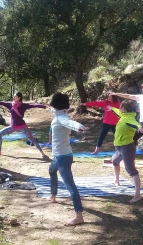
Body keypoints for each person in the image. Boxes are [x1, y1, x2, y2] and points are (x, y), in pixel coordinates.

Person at [48, 92, 89, 226]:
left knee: (70, 185)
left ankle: (79, 215)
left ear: (55, 105)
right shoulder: (59, 115)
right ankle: (53, 195)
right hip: (59, 156)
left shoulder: (62, 118)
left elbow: (70, 123)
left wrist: (79, 127)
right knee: (51, 171)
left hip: (63, 157)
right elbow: (65, 118)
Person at [0, 92, 49, 159]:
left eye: (15, 96)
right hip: (13, 127)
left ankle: (42, 153)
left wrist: (44, 106)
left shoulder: (24, 105)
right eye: (13, 96)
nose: (13, 97)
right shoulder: (10, 105)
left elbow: (34, 105)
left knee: (32, 139)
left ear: (19, 98)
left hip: (23, 126)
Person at [109, 99, 143, 204]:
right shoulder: (123, 114)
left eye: (121, 107)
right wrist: (111, 108)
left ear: (124, 108)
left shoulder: (129, 118)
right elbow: (117, 111)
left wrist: (140, 127)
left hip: (127, 147)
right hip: (118, 147)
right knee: (115, 161)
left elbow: (135, 124)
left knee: (131, 170)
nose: (120, 109)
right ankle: (116, 180)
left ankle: (137, 195)